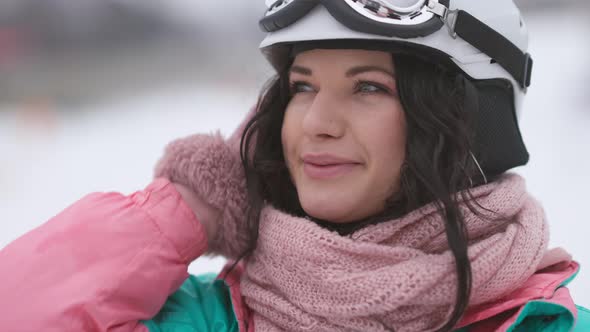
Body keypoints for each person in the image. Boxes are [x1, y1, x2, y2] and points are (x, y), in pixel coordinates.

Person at [0, 1, 588, 331]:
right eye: (302, 88)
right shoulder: (212, 319)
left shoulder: (548, 326)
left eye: (368, 89)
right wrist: (196, 200)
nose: (316, 123)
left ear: (471, 123)